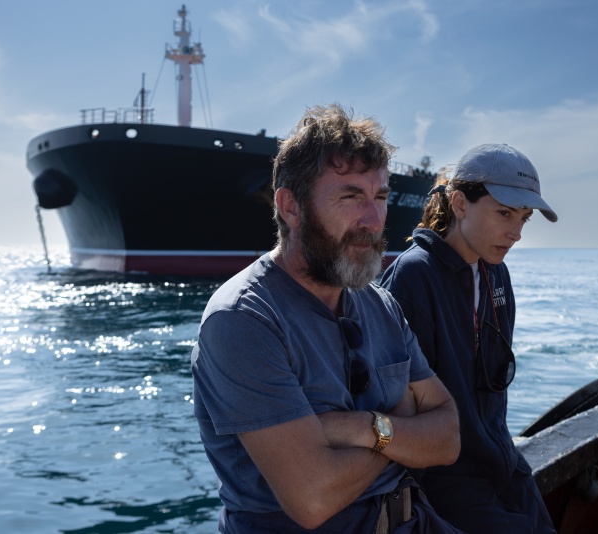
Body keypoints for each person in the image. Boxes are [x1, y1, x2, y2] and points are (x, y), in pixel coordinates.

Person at [191, 103, 463, 533]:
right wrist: (403, 421)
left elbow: (448, 438)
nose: (373, 221)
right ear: (291, 206)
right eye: (350, 197)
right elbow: (313, 499)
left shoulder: (381, 305)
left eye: (380, 198)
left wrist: (363, 428)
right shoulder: (243, 320)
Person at [380, 144, 558, 533]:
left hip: (502, 463)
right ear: (460, 204)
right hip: (443, 480)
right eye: (504, 213)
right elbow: (397, 404)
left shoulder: (496, 273)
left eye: (524, 219)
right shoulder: (413, 277)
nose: (516, 233)